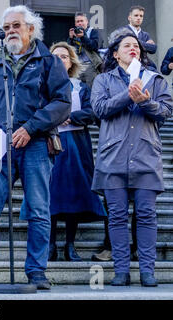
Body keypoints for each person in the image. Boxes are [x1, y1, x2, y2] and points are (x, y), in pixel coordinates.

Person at [0, 5, 71, 291]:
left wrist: (30, 127)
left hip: (35, 144)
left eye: (16, 26)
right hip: (0, 147)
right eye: (7, 27)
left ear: (31, 29)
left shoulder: (49, 62)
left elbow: (62, 103)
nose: (10, 31)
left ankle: (36, 272)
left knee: (38, 210)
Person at [91, 29, 172, 287]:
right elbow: (100, 109)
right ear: (115, 54)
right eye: (126, 46)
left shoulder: (156, 79)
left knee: (146, 214)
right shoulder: (103, 80)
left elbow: (166, 111)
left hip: (146, 156)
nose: (133, 48)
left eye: (136, 45)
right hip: (113, 157)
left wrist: (145, 102)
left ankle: (147, 271)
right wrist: (128, 93)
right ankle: (121, 272)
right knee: (116, 216)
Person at [48, 42, 106, 262]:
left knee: (74, 194)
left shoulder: (81, 87)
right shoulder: (42, 84)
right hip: (50, 142)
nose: (60, 59)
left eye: (64, 56)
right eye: (55, 56)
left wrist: (72, 117)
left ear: (71, 61)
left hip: (75, 143)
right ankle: (50, 245)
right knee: (50, 194)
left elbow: (92, 112)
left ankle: (70, 245)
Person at [67, 12, 102, 88]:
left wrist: (83, 37)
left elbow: (95, 46)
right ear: (75, 24)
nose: (80, 23)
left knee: (91, 90)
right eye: (77, 21)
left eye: (82, 21)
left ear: (87, 22)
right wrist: (70, 38)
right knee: (77, 90)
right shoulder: (74, 33)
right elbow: (69, 50)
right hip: (77, 66)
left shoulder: (93, 31)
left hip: (90, 66)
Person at [123, 5, 157, 70]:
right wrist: (146, 44)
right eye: (136, 15)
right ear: (129, 18)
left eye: (141, 16)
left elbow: (153, 49)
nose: (139, 18)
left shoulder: (145, 34)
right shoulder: (123, 31)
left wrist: (136, 42)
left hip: (144, 65)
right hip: (127, 65)